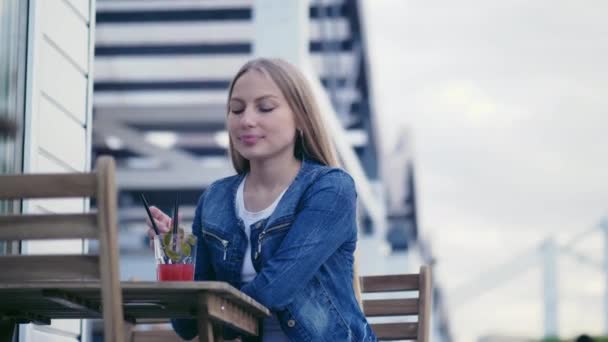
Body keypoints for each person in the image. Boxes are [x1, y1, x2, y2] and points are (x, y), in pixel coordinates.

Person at [146, 58, 377, 341]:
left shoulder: (331, 189)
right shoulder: (214, 199)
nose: (247, 120)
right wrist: (176, 258)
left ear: (302, 118)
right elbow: (187, 327)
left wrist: (210, 313)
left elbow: (274, 288)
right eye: (236, 109)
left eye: (265, 108)